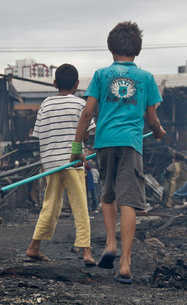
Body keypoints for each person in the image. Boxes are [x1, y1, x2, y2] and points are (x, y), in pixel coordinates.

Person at [70, 21, 166, 284]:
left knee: (108, 194)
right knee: (130, 201)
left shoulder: (101, 75)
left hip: (105, 142)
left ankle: (110, 244)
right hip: (131, 143)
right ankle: (125, 262)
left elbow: (87, 112)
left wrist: (76, 149)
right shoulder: (146, 78)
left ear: (111, 48)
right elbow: (152, 118)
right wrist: (158, 132)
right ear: (138, 50)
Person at [25, 64, 97, 267]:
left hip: (50, 162)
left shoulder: (45, 105)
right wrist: (81, 150)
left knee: (50, 205)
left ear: (55, 84)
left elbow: (39, 134)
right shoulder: (79, 104)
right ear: (76, 84)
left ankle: (34, 246)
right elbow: (87, 132)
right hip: (72, 160)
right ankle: (86, 252)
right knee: (80, 205)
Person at [84, 147, 99, 212]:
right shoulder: (84, 159)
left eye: (86, 151)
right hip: (86, 177)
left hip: (93, 177)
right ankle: (88, 207)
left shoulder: (93, 158)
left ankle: (95, 206)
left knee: (94, 192)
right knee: (86, 192)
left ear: (90, 151)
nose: (85, 152)